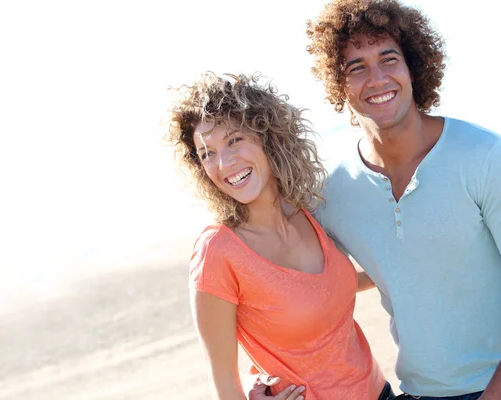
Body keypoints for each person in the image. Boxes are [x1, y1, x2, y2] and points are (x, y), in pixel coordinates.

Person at [250, 0, 501, 399]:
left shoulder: (483, 156)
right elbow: (295, 287)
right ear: (338, 83)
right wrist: (261, 374)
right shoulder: (333, 193)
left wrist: (499, 394)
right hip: (419, 392)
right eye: (356, 67)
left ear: (413, 66)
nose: (377, 78)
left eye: (388, 59)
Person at [168, 72, 397, 400]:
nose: (225, 163)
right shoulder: (217, 252)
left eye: (235, 140)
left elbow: (317, 291)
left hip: (380, 391)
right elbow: (223, 382)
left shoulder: (308, 212)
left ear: (267, 137)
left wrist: (402, 261)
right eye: (207, 154)